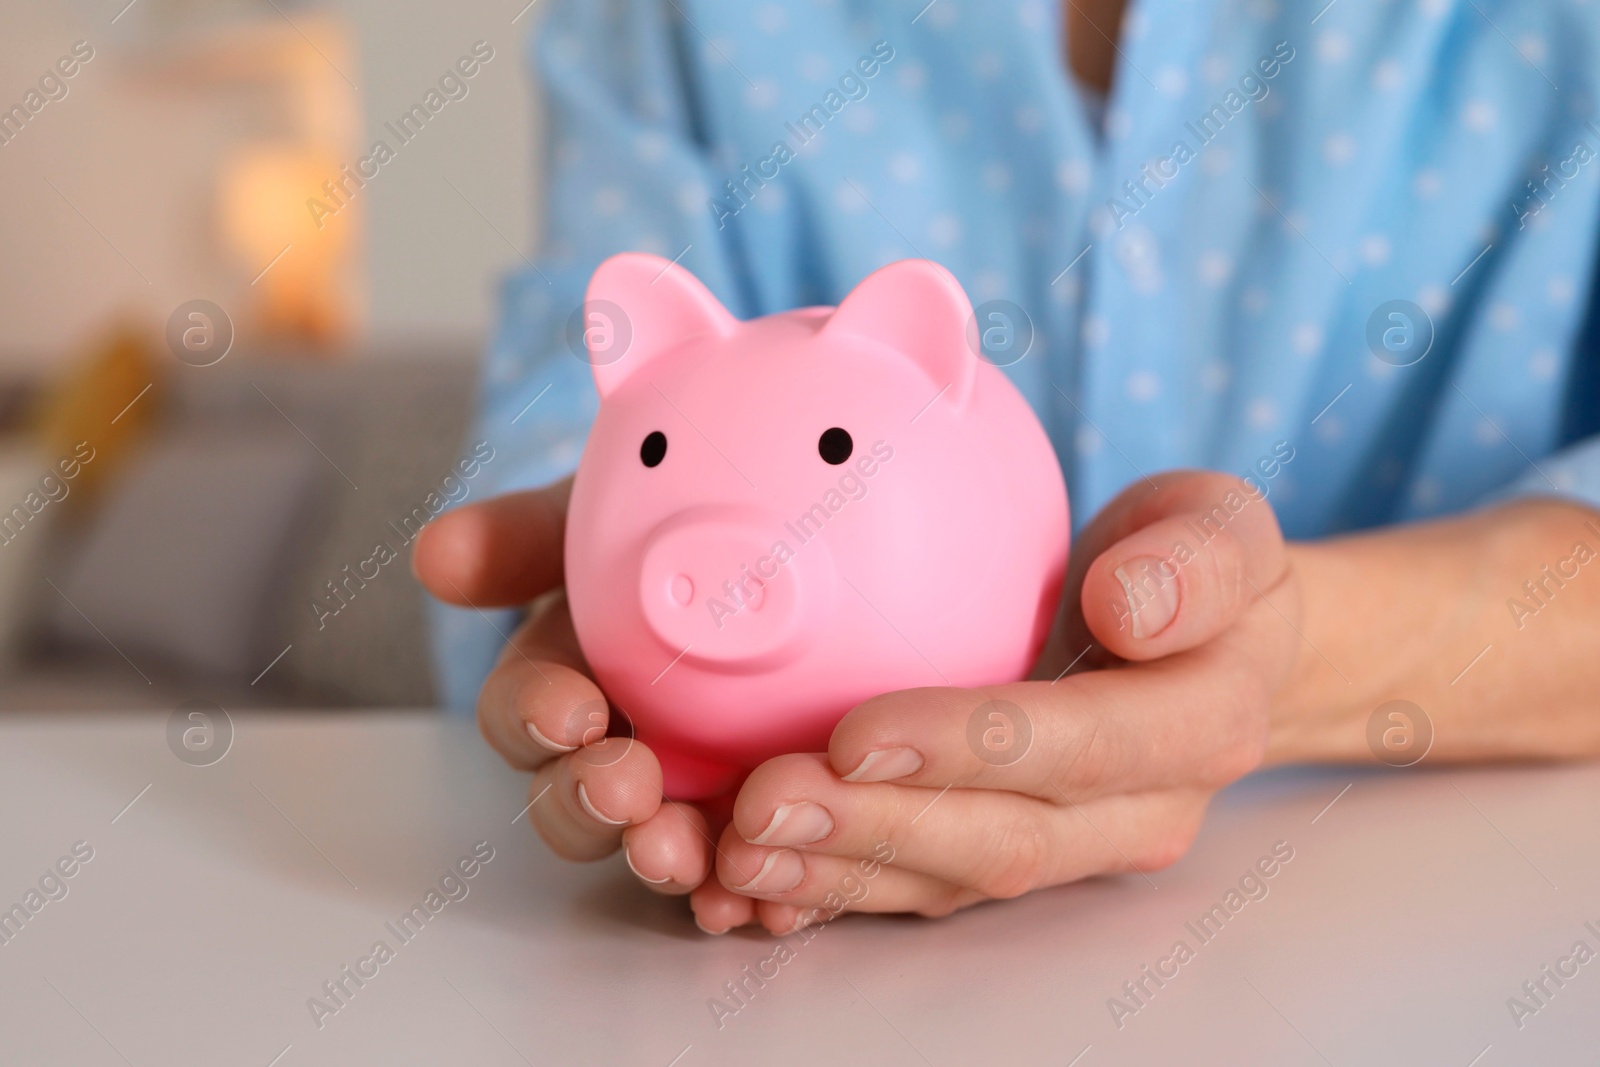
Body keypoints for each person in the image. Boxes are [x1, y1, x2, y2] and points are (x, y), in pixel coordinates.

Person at [413, 0, 1600, 935]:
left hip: (1440, 918)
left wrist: (1291, 657)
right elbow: (579, 402)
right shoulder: (672, 17)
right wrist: (579, 588)